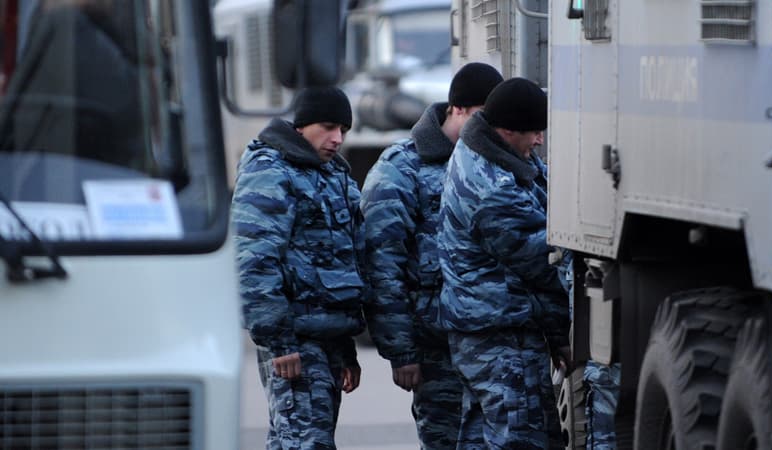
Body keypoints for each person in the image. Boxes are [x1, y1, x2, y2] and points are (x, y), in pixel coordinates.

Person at [360, 62, 503, 449]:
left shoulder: (496, 162)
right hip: (435, 343)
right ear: (457, 109)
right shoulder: (400, 169)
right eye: (480, 118)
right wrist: (400, 349)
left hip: (493, 340)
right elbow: (382, 263)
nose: (488, 129)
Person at [437, 77, 571, 449]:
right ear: (508, 130)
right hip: (500, 338)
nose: (540, 140)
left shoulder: (490, 155)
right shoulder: (494, 187)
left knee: (483, 438)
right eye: (534, 131)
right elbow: (545, 265)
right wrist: (565, 332)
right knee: (518, 439)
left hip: (485, 332)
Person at [231, 86, 366, 449]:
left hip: (326, 338)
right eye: (328, 127)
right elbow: (254, 259)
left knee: (298, 441)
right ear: (302, 126)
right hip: (295, 338)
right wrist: (279, 341)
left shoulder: (332, 173)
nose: (337, 139)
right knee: (306, 442)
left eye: (344, 130)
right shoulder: (270, 169)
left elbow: (343, 262)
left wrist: (346, 347)